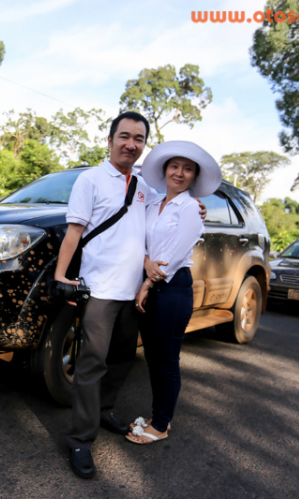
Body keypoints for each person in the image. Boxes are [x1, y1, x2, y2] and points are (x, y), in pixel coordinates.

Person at [54, 111, 156, 478]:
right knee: (91, 364)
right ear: (110, 140)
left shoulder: (144, 186)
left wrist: (197, 205)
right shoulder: (91, 179)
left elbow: (166, 210)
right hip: (99, 289)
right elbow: (74, 232)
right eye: (124, 136)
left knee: (124, 358)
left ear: (144, 145)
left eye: (139, 139)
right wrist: (61, 274)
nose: (131, 144)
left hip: (133, 293)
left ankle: (104, 410)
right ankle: (81, 439)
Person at [125, 141, 223, 445]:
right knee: (153, 357)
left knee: (167, 360)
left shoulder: (192, 207)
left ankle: (162, 424)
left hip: (172, 287)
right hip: (149, 281)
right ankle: (157, 415)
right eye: (174, 166)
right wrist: (143, 262)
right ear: (165, 170)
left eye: (187, 169)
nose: (179, 173)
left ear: (194, 177)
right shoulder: (152, 202)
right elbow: (136, 236)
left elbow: (178, 250)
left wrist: (148, 282)